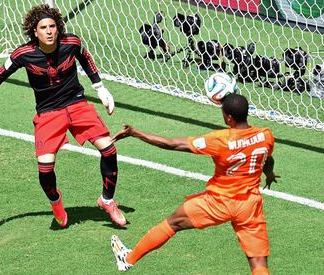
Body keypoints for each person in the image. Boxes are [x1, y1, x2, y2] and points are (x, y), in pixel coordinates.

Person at [0, 4, 127, 228]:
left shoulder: (72, 43)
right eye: (43, 27)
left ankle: (107, 201)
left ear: (58, 28)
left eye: (52, 26)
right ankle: (56, 201)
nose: (49, 31)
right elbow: (0, 74)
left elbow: (85, 58)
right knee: (45, 169)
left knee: (109, 149)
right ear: (34, 32)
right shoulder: (23, 54)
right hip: (49, 113)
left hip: (77, 104)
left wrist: (101, 88)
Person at [110, 94, 279, 274]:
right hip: (249, 206)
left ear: (229, 117)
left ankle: (127, 259)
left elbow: (171, 144)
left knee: (173, 222)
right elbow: (268, 159)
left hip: (218, 203)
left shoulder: (219, 140)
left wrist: (134, 133)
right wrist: (269, 175)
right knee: (259, 263)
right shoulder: (265, 135)